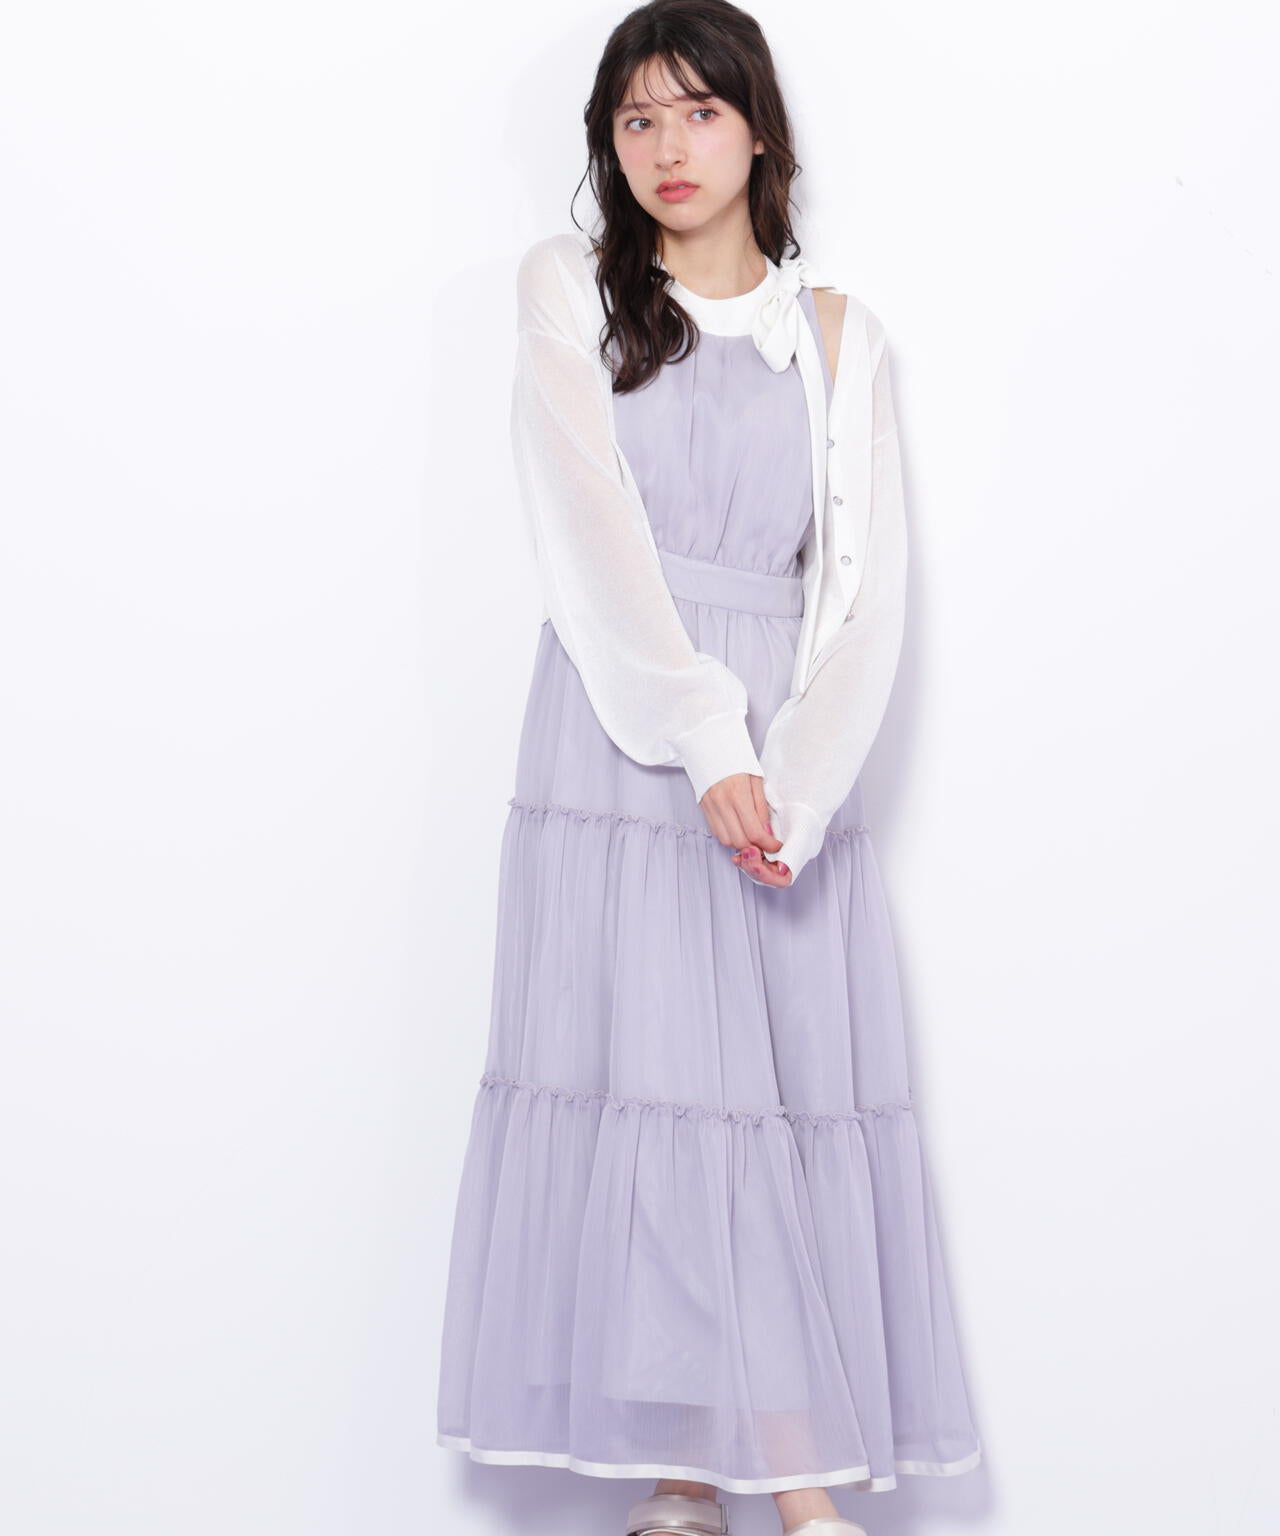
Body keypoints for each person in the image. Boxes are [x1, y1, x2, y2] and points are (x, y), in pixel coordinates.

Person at [435, 5, 983, 1534]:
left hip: (785, 773)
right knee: (658, 1089)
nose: (668, 148)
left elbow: (865, 591)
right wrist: (702, 736)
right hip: (624, 740)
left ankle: (697, 1483)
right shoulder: (571, 292)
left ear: (758, 130)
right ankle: (793, 1500)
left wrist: (790, 781)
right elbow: (588, 533)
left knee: (769, 1105)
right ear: (606, 145)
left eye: (698, 112)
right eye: (636, 120)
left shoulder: (838, 335)